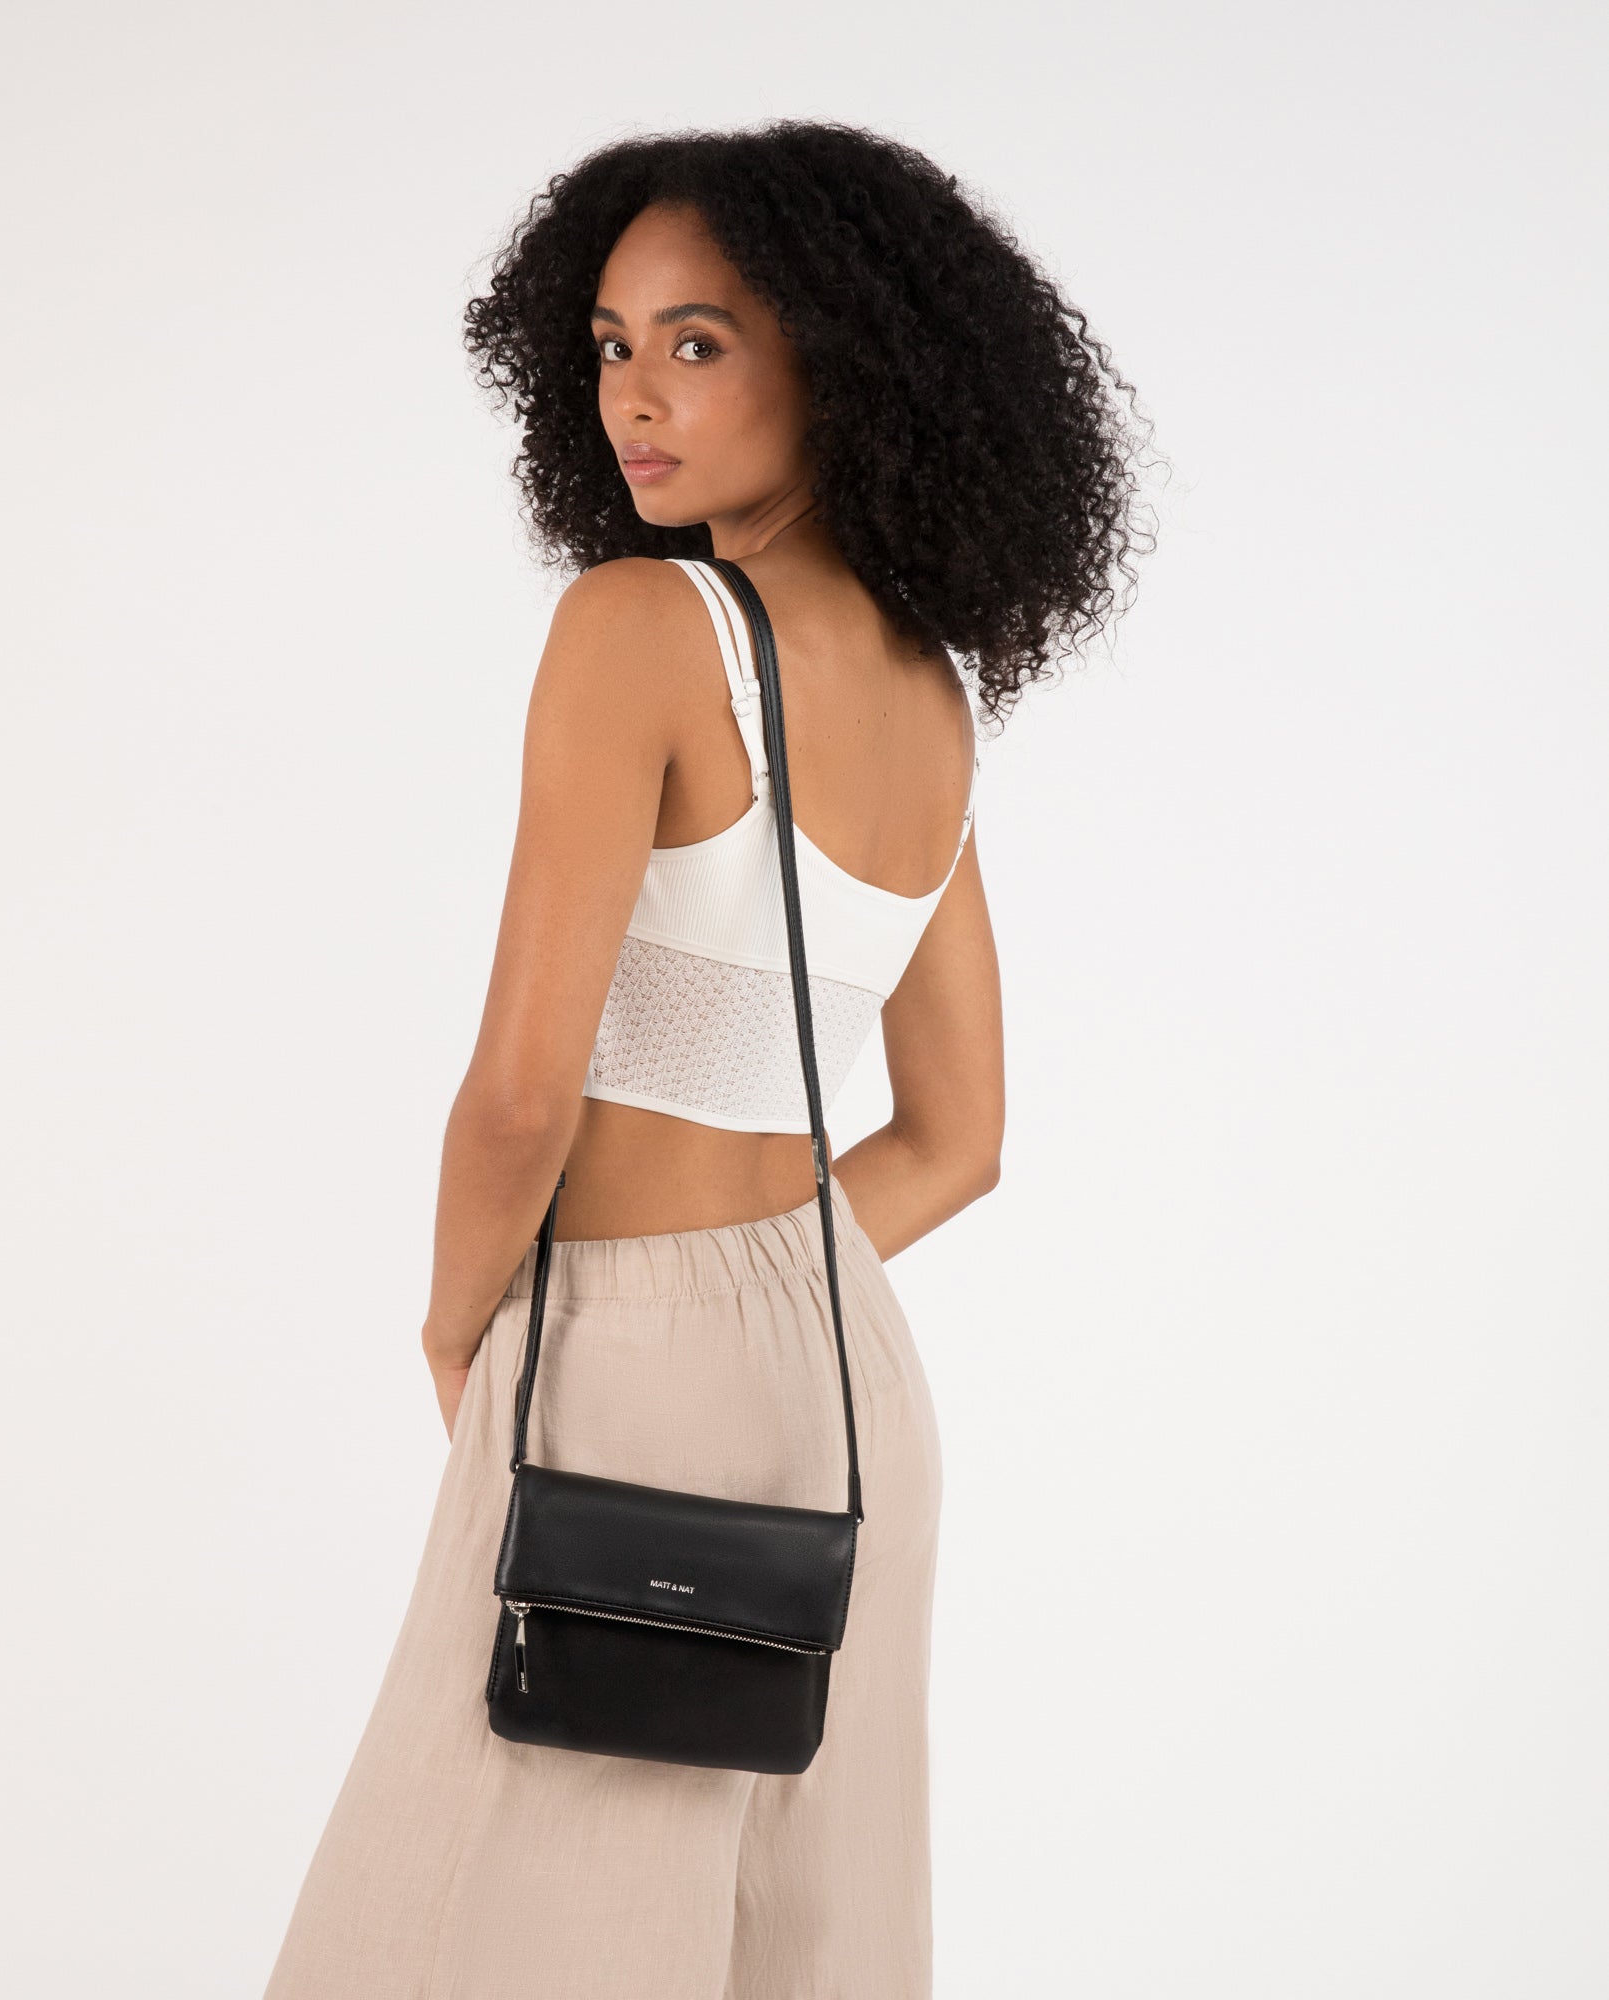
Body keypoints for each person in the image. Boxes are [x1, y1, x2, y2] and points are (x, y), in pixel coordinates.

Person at [263, 118, 1153, 2000]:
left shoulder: (640, 626)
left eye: (698, 340)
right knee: (791, 1938)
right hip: (843, 1374)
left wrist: (464, 1323)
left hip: (622, 1358)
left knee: (472, 1924)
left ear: (844, 358)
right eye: (609, 343)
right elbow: (961, 1138)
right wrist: (764, 1274)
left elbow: (523, 1090)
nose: (634, 397)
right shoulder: (928, 691)